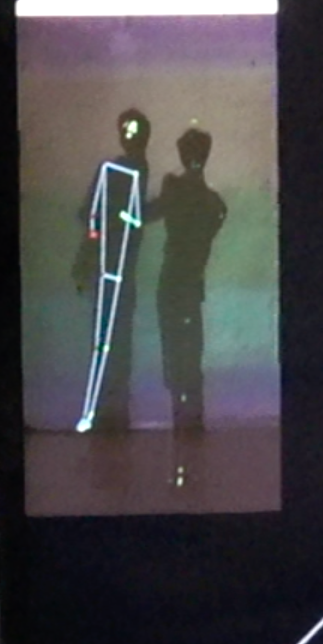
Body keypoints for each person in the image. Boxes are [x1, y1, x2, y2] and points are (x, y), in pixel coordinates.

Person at [69, 109, 152, 434]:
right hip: (110, 267)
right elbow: (93, 216)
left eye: (134, 131)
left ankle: (108, 411)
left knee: (112, 339)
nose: (130, 136)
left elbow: (105, 217)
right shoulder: (117, 169)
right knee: (110, 339)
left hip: (116, 267)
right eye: (127, 130)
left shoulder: (127, 169)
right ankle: (104, 411)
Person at [143, 122, 230, 433]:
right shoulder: (215, 204)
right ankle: (191, 415)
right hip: (190, 285)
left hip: (173, 284)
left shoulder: (178, 193)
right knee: (190, 350)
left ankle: (183, 412)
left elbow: (145, 215)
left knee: (176, 349)